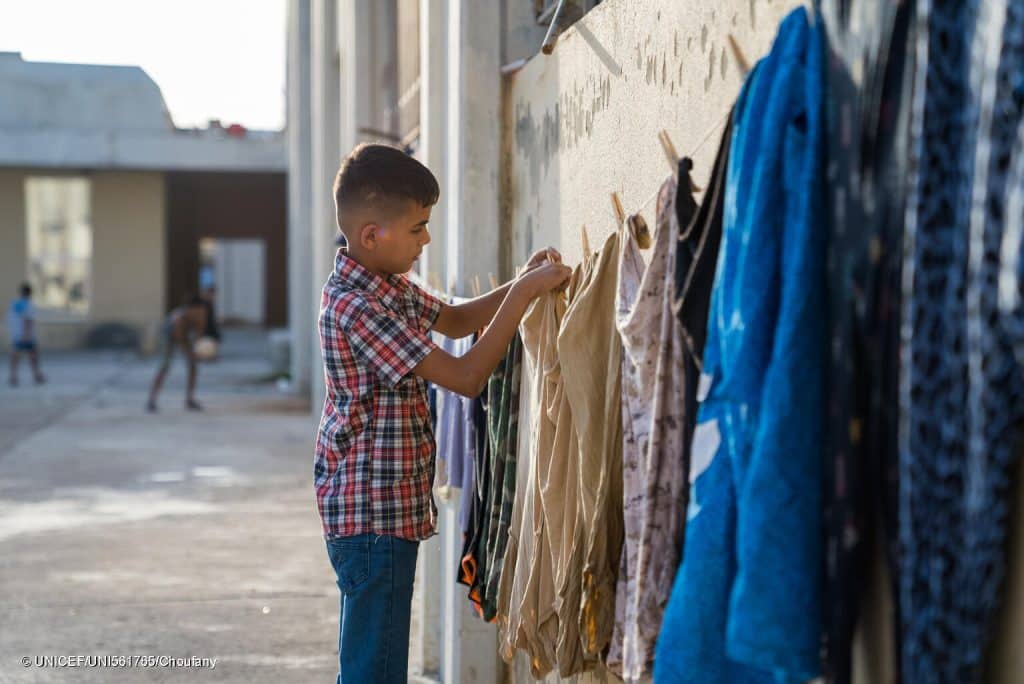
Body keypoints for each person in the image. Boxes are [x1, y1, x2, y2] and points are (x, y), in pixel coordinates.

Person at [316, 142, 571, 683]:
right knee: (375, 670)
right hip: (370, 517)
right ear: (370, 235)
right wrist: (525, 292)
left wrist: (518, 284)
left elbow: (455, 321)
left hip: (387, 514)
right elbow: (466, 375)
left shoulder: (388, 286)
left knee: (373, 662)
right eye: (417, 229)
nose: (426, 240)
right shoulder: (356, 307)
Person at [145, 295, 208, 412]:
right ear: (191, 309)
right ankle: (151, 400)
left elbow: (199, 335)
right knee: (165, 366)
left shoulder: (201, 315)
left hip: (184, 335)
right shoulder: (180, 318)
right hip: (169, 336)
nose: (201, 315)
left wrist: (199, 352)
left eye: (202, 312)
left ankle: (190, 399)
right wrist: (190, 353)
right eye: (198, 312)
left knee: (193, 366)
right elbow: (179, 338)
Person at [7, 283, 45, 386]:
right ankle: (36, 375)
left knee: (16, 355)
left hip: (16, 334)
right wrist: (26, 334)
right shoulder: (28, 304)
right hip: (27, 335)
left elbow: (10, 318)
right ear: (30, 293)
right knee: (33, 355)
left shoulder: (14, 303)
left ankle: (13, 376)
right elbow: (28, 320)